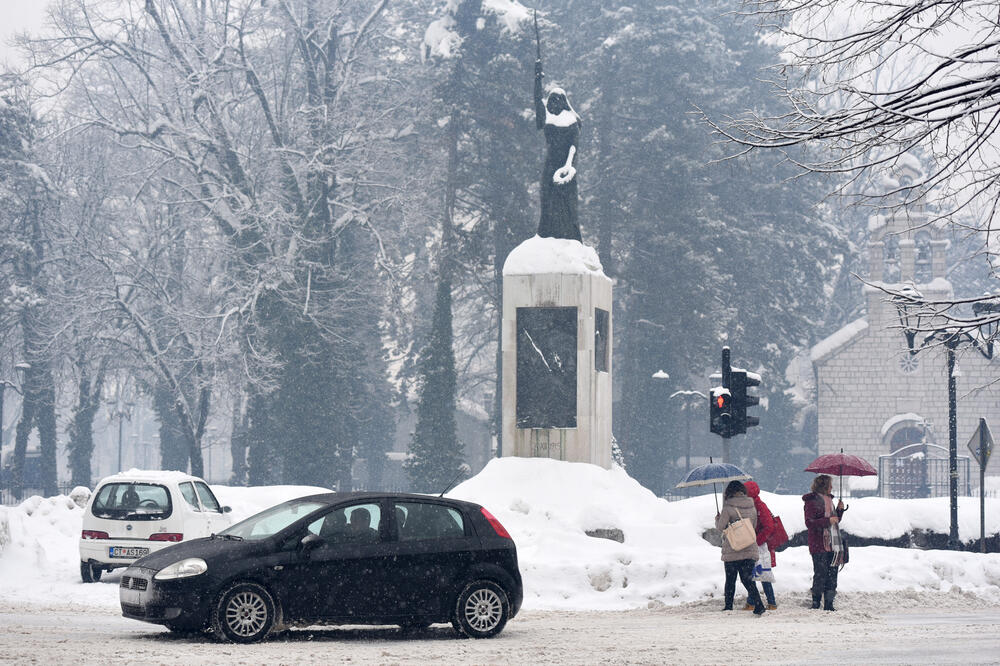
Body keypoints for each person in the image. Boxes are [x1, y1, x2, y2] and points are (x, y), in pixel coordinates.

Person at [534, 58, 582, 241]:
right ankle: (546, 234)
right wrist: (537, 78)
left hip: (565, 168)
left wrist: (569, 166)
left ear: (563, 102)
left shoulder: (571, 122)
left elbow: (573, 147)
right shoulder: (547, 119)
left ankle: (568, 235)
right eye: (551, 100)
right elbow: (537, 100)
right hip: (550, 166)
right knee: (547, 199)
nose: (553, 103)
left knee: (567, 204)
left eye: (556, 100)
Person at [715, 480, 766, 615]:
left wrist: (718, 519)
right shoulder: (752, 506)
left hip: (733, 548)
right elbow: (753, 526)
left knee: (730, 580)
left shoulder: (728, 508)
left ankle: (728, 606)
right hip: (749, 546)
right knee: (747, 579)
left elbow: (721, 527)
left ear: (729, 492)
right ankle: (759, 603)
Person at [803, 474, 846, 610]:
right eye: (830, 485)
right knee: (820, 574)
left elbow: (835, 521)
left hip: (833, 543)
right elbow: (809, 522)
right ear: (823, 486)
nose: (832, 487)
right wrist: (827, 521)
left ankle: (829, 603)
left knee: (832, 574)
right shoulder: (811, 501)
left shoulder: (830, 500)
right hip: (819, 543)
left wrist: (839, 511)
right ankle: (815, 603)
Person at [742, 480, 778, 610]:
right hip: (754, 543)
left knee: (761, 573)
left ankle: (767, 602)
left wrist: (757, 541)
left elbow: (768, 527)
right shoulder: (752, 505)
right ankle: (756, 602)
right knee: (755, 572)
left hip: (760, 545)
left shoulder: (759, 506)